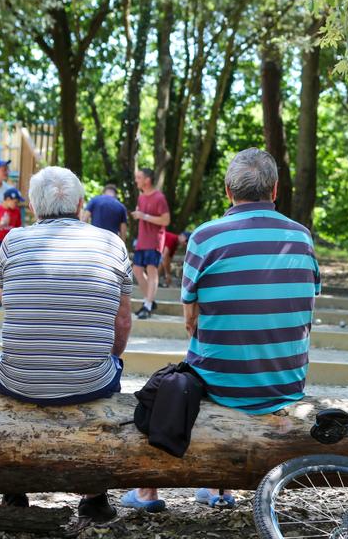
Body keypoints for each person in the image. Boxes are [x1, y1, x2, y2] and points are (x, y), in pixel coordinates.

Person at [122, 148, 320, 512]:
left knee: (170, 383)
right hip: (285, 381)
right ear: (275, 190)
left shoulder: (206, 236)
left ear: (228, 191)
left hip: (223, 381)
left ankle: (147, 492)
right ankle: (217, 489)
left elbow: (190, 318)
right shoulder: (302, 237)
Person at [0, 166, 132, 522]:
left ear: (32, 206)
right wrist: (104, 358)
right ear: (80, 205)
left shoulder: (11, 242)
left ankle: (13, 489)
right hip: (90, 382)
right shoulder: (112, 243)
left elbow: (6, 300)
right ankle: (94, 497)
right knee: (111, 368)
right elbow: (122, 323)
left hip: (18, 379)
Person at [131, 168, 170, 319]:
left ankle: (147, 305)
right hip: (142, 240)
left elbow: (166, 220)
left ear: (147, 180)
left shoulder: (159, 197)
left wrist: (144, 216)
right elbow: (141, 215)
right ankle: (150, 301)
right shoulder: (141, 197)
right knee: (137, 270)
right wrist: (139, 215)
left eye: (139, 177)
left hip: (154, 241)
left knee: (151, 270)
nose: (136, 180)